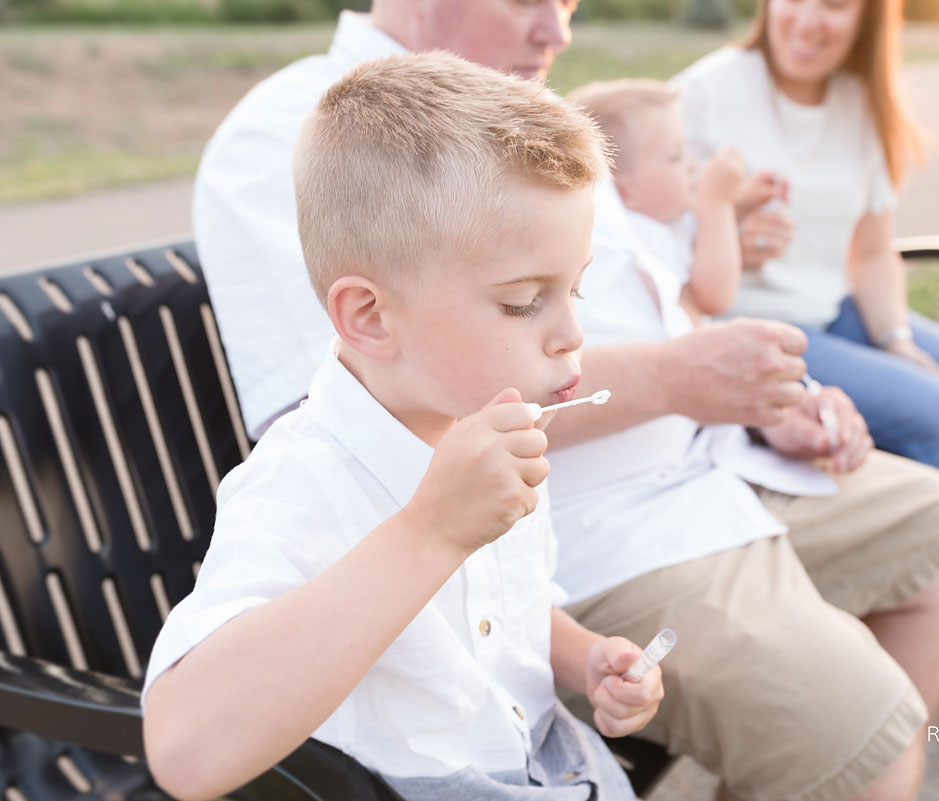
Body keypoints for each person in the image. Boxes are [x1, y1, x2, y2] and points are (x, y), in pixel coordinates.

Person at [194, 3, 939, 799]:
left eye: (568, 3)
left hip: (691, 479)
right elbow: (354, 431)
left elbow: (638, 295)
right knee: (872, 739)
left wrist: (756, 396)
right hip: (611, 531)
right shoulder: (302, 139)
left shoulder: (516, 115)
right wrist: (677, 377)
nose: (557, 31)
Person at [141, 52, 664, 801]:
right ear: (371, 317)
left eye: (574, 287)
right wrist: (429, 529)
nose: (573, 333)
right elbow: (186, 751)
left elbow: (505, 612)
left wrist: (583, 659)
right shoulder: (300, 487)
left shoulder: (488, 430)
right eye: (523, 301)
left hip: (550, 760)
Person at [672, 0, 939, 725]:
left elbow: (869, 249)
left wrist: (894, 338)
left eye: (835, 3)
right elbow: (645, 226)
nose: (808, 19)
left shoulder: (863, 103)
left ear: (867, 19)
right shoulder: (709, 90)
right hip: (752, 320)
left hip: (834, 305)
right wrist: (724, 232)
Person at [567, 78, 744, 322]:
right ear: (624, 193)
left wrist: (743, 199)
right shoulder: (643, 237)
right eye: (676, 155)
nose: (692, 164)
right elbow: (714, 298)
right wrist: (717, 202)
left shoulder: (666, 217)